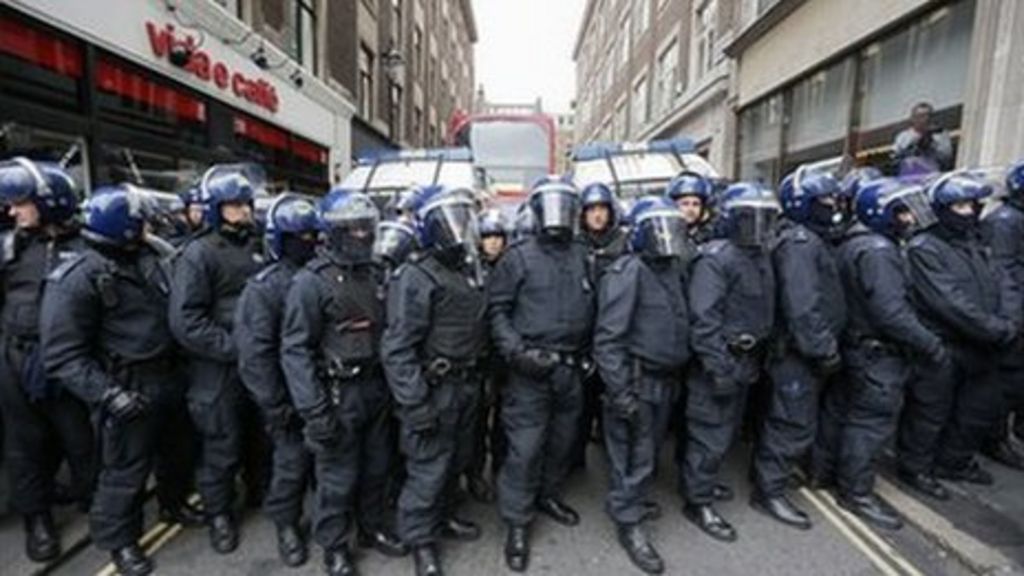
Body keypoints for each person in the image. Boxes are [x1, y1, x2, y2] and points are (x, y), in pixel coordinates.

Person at [40, 185, 183, 575]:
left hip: (166, 373)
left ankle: (173, 504)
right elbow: (63, 355)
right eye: (141, 224)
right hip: (126, 384)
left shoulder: (144, 257)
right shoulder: (77, 278)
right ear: (124, 228)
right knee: (124, 471)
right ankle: (120, 542)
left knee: (175, 450)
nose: (147, 230)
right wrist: (108, 395)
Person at [281, 187, 406, 576]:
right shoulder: (311, 282)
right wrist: (314, 410)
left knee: (377, 466)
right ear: (333, 233)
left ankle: (371, 529)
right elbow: (295, 351)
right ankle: (334, 546)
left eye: (366, 229)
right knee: (336, 474)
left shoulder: (377, 273)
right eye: (352, 230)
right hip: (337, 392)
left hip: (375, 387)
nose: (362, 237)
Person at [812, 178, 945, 530]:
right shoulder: (879, 251)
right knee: (868, 426)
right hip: (877, 354)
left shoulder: (853, 242)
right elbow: (892, 313)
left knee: (839, 414)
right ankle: (855, 493)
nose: (909, 219)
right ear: (880, 213)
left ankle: (821, 473)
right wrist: (930, 344)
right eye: (900, 212)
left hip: (852, 346)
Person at [488, 175, 595, 572]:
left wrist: (589, 353)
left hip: (570, 368)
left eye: (565, 204)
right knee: (525, 449)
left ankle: (548, 495)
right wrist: (517, 353)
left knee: (562, 441)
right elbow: (497, 310)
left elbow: (596, 305)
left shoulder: (582, 254)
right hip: (529, 368)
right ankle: (517, 521)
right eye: (551, 204)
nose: (558, 214)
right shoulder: (518, 256)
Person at [382, 185, 488, 576]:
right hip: (433, 388)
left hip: (464, 384)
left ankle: (443, 518)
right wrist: (414, 402)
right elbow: (397, 348)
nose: (459, 230)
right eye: (449, 221)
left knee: (454, 461)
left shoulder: (463, 269)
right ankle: (421, 541)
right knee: (428, 467)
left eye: (464, 220)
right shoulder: (416, 275)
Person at [898, 173, 1020, 498]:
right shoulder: (924, 247)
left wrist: (1009, 320)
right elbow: (950, 303)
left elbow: (1002, 284)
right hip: (946, 345)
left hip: (982, 345)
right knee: (930, 414)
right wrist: (998, 330)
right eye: (962, 205)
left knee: (972, 411)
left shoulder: (975, 242)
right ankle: (916, 469)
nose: (971, 211)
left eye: (973, 204)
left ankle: (953, 463)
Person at [0, 157, 95, 563]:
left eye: (21, 202)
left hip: (69, 357)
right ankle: (37, 520)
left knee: (79, 436)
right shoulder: (8, 247)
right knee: (25, 444)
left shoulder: (85, 246)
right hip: (18, 356)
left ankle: (93, 499)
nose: (12, 211)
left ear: (48, 200)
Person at [169, 164, 266, 554]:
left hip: (256, 363)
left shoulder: (256, 244)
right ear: (214, 209)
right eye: (234, 206)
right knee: (221, 444)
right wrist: (234, 348)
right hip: (217, 368)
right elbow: (186, 321)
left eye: (246, 204)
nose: (243, 212)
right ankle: (220, 515)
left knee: (260, 434)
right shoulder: (198, 254)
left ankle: (259, 490)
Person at [595, 196, 691, 574]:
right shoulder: (628, 272)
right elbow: (608, 338)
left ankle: (629, 500)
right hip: (636, 380)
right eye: (660, 231)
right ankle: (630, 522)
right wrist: (620, 390)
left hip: (663, 380)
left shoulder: (670, 269)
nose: (668, 239)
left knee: (645, 452)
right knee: (634, 454)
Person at [681, 182, 779, 543]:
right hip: (721, 360)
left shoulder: (759, 255)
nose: (762, 225)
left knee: (724, 433)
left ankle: (700, 483)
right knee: (709, 434)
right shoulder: (715, 258)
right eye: (754, 217)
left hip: (746, 360)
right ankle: (698, 500)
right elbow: (703, 321)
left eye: (767, 217)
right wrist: (718, 366)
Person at [751, 169, 848, 531]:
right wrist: (823, 349)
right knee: (791, 423)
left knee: (784, 419)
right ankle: (768, 490)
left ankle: (769, 477)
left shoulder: (804, 239)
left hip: (797, 350)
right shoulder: (800, 245)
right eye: (824, 201)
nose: (832, 207)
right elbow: (802, 306)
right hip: (796, 354)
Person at [235, 194, 320, 567]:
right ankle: (286, 524)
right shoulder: (265, 287)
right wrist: (274, 402)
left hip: (321, 386)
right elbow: (256, 355)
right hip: (286, 393)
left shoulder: (319, 275)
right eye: (298, 237)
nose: (308, 243)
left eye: (311, 235)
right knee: (291, 463)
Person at [574, 183, 628, 471]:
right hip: (582, 333)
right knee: (579, 404)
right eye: (591, 210)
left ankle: (611, 454)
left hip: (613, 331)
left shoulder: (622, 244)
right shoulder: (575, 244)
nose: (597, 215)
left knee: (612, 397)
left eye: (602, 209)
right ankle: (576, 458)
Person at [980, 161, 1024, 470]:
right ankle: (994, 438)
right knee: (1003, 382)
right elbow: (1003, 272)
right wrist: (1012, 320)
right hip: (1011, 314)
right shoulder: (1006, 222)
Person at [464, 207, 508, 504]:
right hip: (478, 357)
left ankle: (501, 472)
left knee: (504, 421)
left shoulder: (513, 266)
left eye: (498, 237)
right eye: (487, 236)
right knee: (476, 423)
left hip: (504, 356)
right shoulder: (469, 269)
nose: (493, 242)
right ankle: (475, 474)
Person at [892, 102, 954, 176]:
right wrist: (915, 143)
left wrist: (932, 144)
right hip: (908, 178)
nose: (926, 119)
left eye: (929, 115)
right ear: (913, 119)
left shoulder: (940, 134)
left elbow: (946, 158)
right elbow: (895, 158)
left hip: (932, 177)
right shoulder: (903, 136)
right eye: (921, 116)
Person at [665, 171, 716, 244]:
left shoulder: (712, 233)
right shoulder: (665, 234)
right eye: (685, 204)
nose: (690, 209)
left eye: (696, 204)